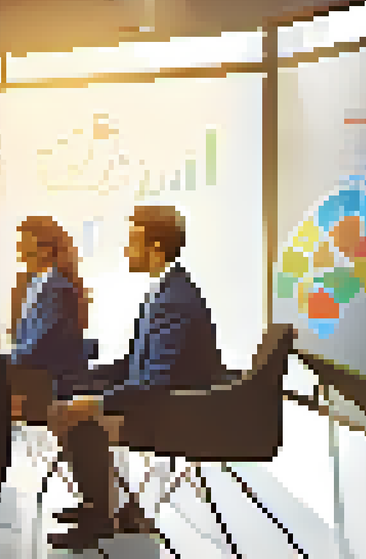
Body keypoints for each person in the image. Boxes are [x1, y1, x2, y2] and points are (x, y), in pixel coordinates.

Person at [43, 205, 228, 551]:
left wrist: (94, 401)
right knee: (68, 391)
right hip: (165, 398)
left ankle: (101, 515)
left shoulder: (173, 299)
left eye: (132, 242)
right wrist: (84, 380)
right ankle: (97, 503)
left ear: (156, 249)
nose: (126, 250)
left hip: (178, 412)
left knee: (81, 416)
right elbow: (135, 363)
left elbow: (156, 381)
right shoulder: (166, 289)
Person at [8, 215, 92, 423]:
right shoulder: (25, 285)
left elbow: (37, 343)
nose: (19, 248)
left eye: (24, 242)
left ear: (45, 250)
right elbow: (20, 338)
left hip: (49, 383)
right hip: (31, 377)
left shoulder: (60, 289)